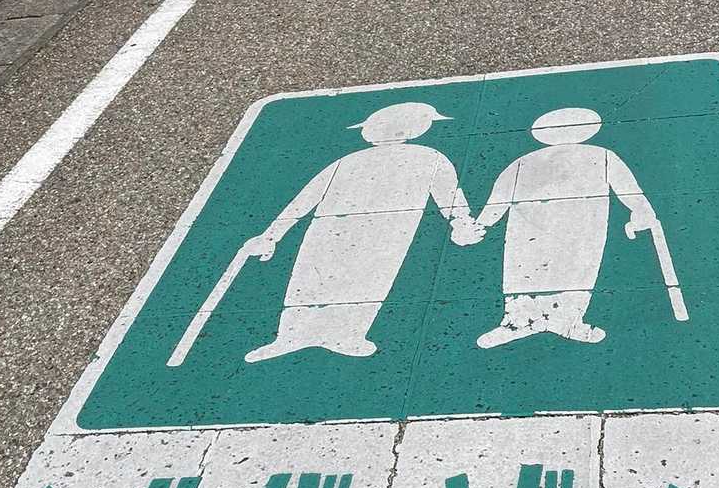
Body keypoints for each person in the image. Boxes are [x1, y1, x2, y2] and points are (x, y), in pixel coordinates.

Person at [243, 102, 480, 361]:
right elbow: (306, 199)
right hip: (342, 228)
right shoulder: (418, 157)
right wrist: (271, 235)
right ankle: (293, 336)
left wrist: (461, 222)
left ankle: (343, 335)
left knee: (365, 279)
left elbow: (449, 194)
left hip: (383, 229)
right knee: (319, 276)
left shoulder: (426, 157)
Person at [458, 106, 683, 348]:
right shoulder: (595, 156)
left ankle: (559, 321)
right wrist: (642, 211)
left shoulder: (533, 161)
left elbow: (497, 201)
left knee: (561, 270)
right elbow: (630, 192)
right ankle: (523, 321)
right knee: (554, 270)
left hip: (569, 227)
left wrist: (481, 225)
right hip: (554, 228)